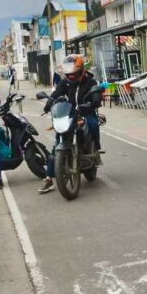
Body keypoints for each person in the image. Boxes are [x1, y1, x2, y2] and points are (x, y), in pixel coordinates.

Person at [38, 55, 102, 193]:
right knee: (56, 144)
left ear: (81, 71)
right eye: (69, 75)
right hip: (69, 114)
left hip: (86, 112)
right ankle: (49, 179)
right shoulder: (64, 83)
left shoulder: (91, 82)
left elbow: (97, 97)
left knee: (93, 123)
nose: (72, 77)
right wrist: (49, 103)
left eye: (74, 74)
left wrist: (94, 101)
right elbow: (56, 94)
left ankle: (95, 148)